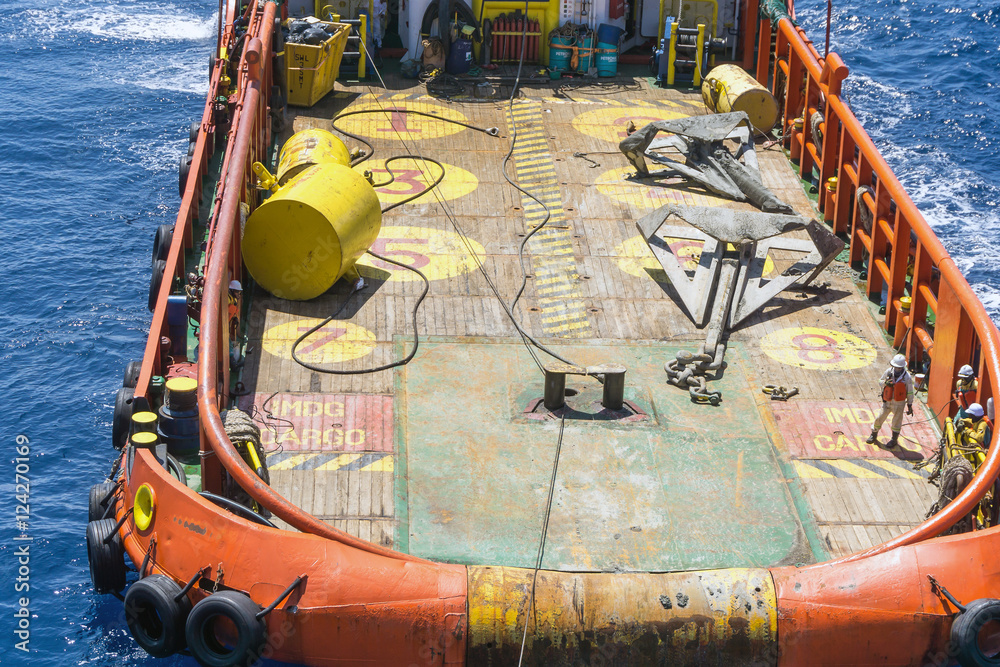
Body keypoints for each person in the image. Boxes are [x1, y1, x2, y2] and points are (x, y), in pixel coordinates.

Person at [866, 353, 914, 448]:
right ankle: (873, 434)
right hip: (887, 401)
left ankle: (894, 440)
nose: (897, 370)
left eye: (899, 368)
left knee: (897, 422)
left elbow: (910, 392)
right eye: (896, 367)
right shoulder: (888, 372)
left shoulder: (907, 377)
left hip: (899, 403)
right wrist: (885, 383)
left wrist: (909, 405)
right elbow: (880, 382)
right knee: (879, 417)